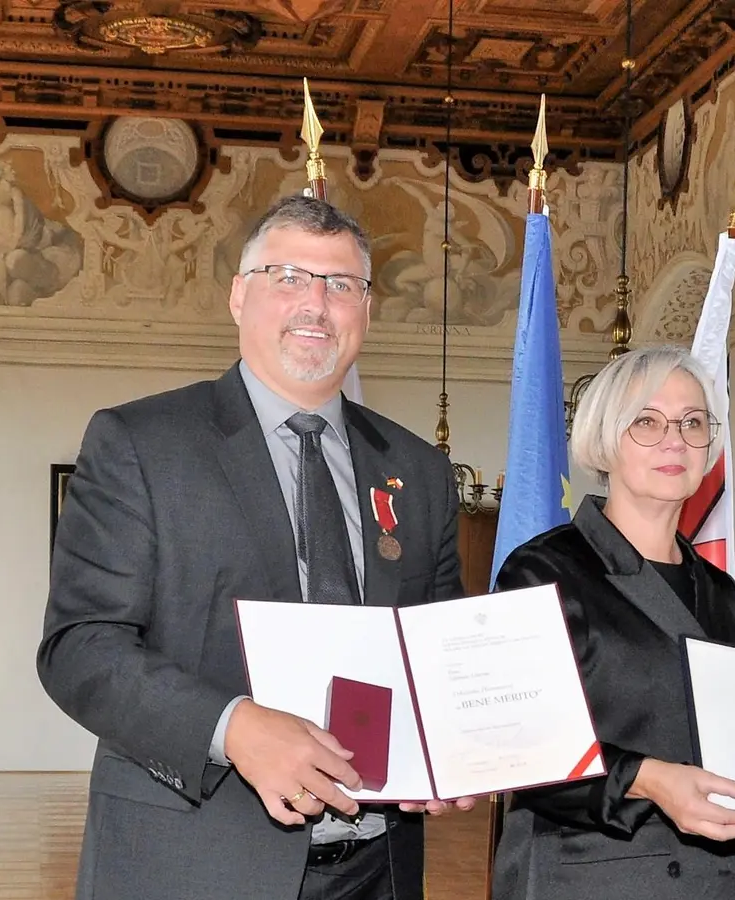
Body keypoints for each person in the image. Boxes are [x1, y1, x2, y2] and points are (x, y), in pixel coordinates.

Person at [37, 196, 472, 900]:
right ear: (239, 296)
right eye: (289, 277)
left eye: (341, 284)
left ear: (366, 310)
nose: (316, 304)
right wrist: (231, 727)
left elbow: (438, 647)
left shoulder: (419, 470)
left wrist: (454, 743)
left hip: (379, 868)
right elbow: (80, 647)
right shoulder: (141, 444)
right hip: (191, 866)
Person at [490, 344, 735, 900]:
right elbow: (514, 745)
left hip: (722, 881)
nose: (675, 440)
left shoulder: (720, 592)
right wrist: (649, 779)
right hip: (590, 879)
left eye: (693, 422)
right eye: (647, 421)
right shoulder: (543, 572)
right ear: (605, 439)